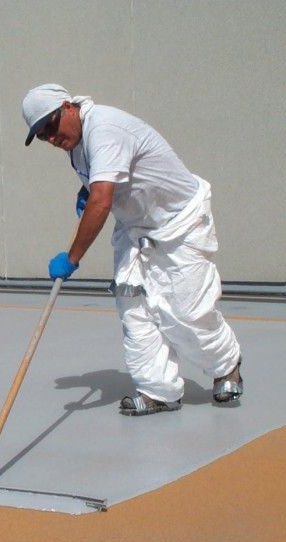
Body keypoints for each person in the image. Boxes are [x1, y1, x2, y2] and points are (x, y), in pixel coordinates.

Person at [22, 83, 243, 415]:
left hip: (179, 222)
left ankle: (226, 366)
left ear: (68, 107)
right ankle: (158, 390)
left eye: (50, 127)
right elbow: (104, 185)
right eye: (42, 136)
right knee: (134, 308)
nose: (51, 138)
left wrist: (72, 257)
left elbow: (102, 201)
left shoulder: (104, 128)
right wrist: (88, 189)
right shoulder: (75, 142)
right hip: (135, 226)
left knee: (187, 311)